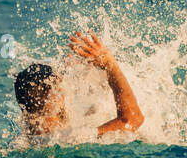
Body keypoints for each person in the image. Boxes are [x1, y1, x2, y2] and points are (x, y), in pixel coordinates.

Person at [15, 31, 144, 137]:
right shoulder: (71, 137)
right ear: (54, 95)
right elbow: (132, 120)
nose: (65, 91)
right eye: (61, 86)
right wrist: (110, 64)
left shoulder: (28, 134)